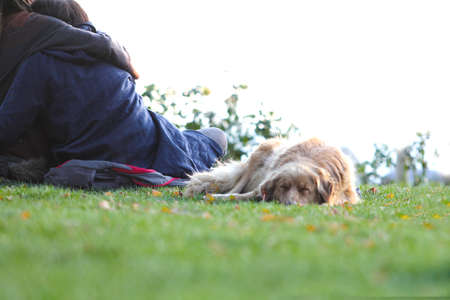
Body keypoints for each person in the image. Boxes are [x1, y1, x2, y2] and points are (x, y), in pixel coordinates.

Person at [0, 0, 227, 181]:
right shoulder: (107, 51)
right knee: (215, 136)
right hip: (155, 148)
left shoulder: (39, 62)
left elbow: (7, 127)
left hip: (109, 159)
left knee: (210, 137)